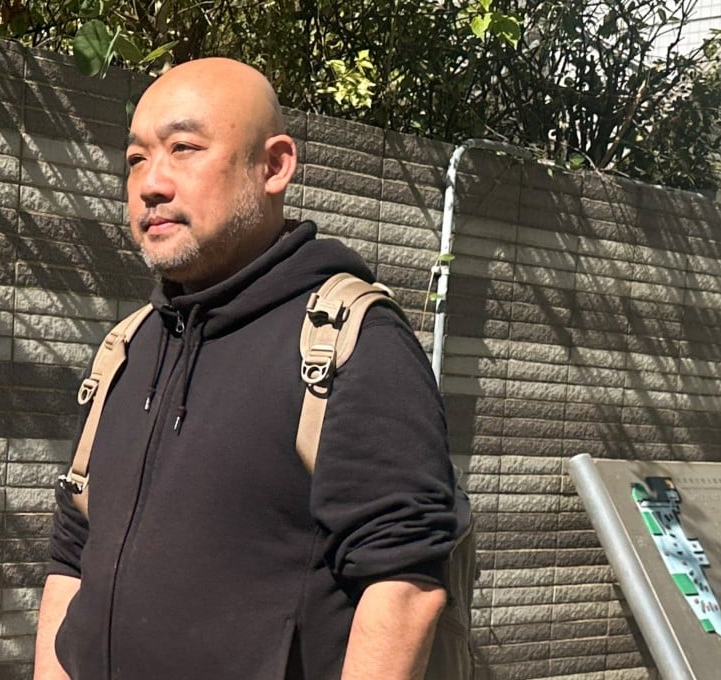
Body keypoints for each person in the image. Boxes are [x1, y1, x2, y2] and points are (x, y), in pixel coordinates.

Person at [33, 57, 462, 680]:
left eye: (184, 148)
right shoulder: (130, 345)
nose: (151, 183)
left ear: (274, 166)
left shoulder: (347, 338)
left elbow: (404, 583)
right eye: (135, 159)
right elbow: (72, 548)